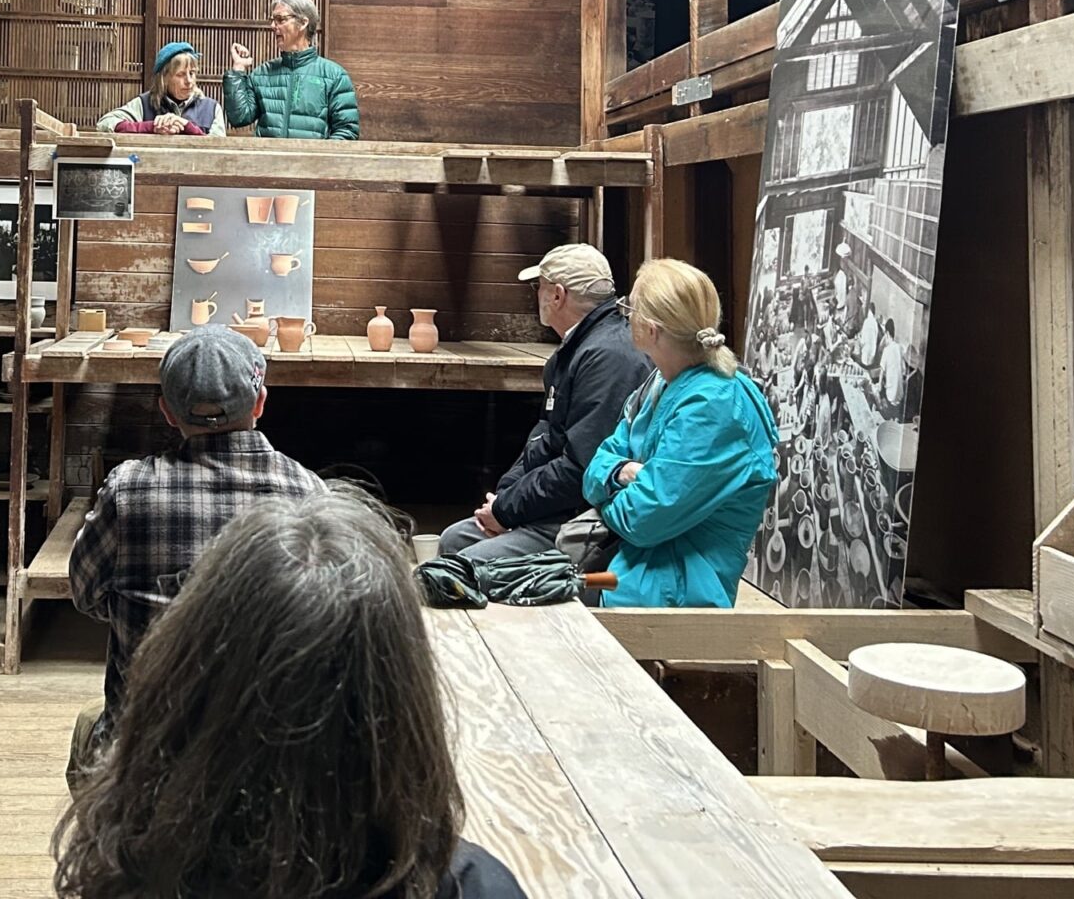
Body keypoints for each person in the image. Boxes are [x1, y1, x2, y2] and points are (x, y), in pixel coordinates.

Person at [54, 485, 526, 899]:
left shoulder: (131, 863)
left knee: (90, 726)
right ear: (405, 700)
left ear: (186, 671)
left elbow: (84, 588)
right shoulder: (474, 886)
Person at [65, 327, 322, 779]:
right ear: (260, 402)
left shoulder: (128, 490)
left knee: (92, 725)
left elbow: (86, 594)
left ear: (167, 411)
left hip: (145, 758)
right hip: (268, 761)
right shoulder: (308, 493)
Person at [582, 258, 780, 609]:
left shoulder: (716, 408)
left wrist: (606, 494)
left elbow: (640, 519)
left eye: (631, 307)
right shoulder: (658, 383)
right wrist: (620, 472)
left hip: (672, 592)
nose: (626, 315)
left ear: (652, 330)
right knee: (528, 588)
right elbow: (597, 466)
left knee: (540, 609)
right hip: (627, 569)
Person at [438, 244, 651, 563]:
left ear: (557, 295)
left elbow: (581, 469)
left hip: (586, 520)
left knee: (464, 567)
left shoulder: (609, 357)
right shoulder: (577, 349)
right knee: (453, 540)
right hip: (556, 508)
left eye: (539, 287)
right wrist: (504, 498)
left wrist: (507, 510)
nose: (535, 295)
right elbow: (545, 440)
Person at [222, 0, 358, 139]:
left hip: (313, 161)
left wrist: (317, 159)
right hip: (268, 161)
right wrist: (238, 70)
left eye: (281, 19)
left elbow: (347, 132)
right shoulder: (262, 73)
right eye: (273, 20)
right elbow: (240, 118)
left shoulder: (334, 75)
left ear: (303, 23)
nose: (273, 26)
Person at [97, 41, 225, 135]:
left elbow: (220, 151)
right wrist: (151, 127)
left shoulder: (211, 108)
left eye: (192, 73)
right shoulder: (145, 103)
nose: (189, 81)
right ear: (164, 78)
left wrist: (187, 127)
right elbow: (104, 124)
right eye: (180, 75)